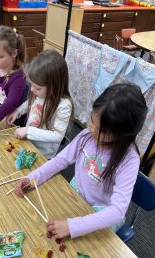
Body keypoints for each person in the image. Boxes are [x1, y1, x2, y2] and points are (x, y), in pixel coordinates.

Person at [13, 83, 148, 239]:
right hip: (75, 194)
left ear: (124, 133)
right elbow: (60, 161)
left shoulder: (129, 160)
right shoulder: (86, 136)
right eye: (92, 121)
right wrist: (32, 178)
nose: (92, 130)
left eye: (102, 131)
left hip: (101, 213)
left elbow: (117, 211)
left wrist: (73, 226)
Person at [5, 49, 74, 159]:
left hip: (43, 153)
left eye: (37, 88)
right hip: (28, 142)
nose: (32, 90)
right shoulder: (41, 93)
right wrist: (18, 111)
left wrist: (28, 130)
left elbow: (57, 136)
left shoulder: (64, 105)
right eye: (31, 85)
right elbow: (31, 102)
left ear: (54, 86)